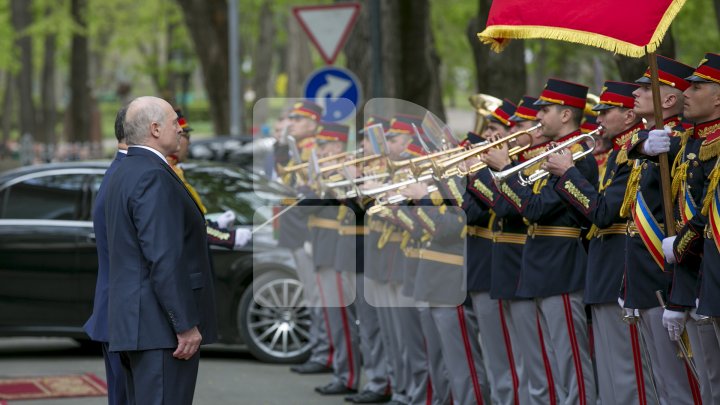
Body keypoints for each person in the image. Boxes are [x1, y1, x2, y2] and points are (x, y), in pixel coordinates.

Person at [544, 81, 656, 404]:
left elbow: (605, 213)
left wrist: (568, 174)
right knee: (610, 380)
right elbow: (593, 218)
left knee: (630, 378)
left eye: (606, 111)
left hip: (619, 272)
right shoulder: (620, 154)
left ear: (629, 115)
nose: (599, 118)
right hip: (603, 273)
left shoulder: (633, 155)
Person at [104, 96, 217, 405]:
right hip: (159, 330)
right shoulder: (153, 175)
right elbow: (163, 258)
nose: (180, 130)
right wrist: (184, 324)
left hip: (136, 324)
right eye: (174, 123)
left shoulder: (126, 170)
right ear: (154, 129)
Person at [498, 78, 598, 404]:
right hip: (541, 262)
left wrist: (505, 170)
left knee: (572, 363)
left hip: (562, 262)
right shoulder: (551, 152)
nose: (539, 115)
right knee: (553, 359)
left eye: (546, 109)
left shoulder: (577, 154)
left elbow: (534, 208)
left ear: (566, 114)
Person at [83, 106, 129, 405]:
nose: (178, 131)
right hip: (124, 315)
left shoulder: (121, 172)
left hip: (119, 313)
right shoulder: (127, 175)